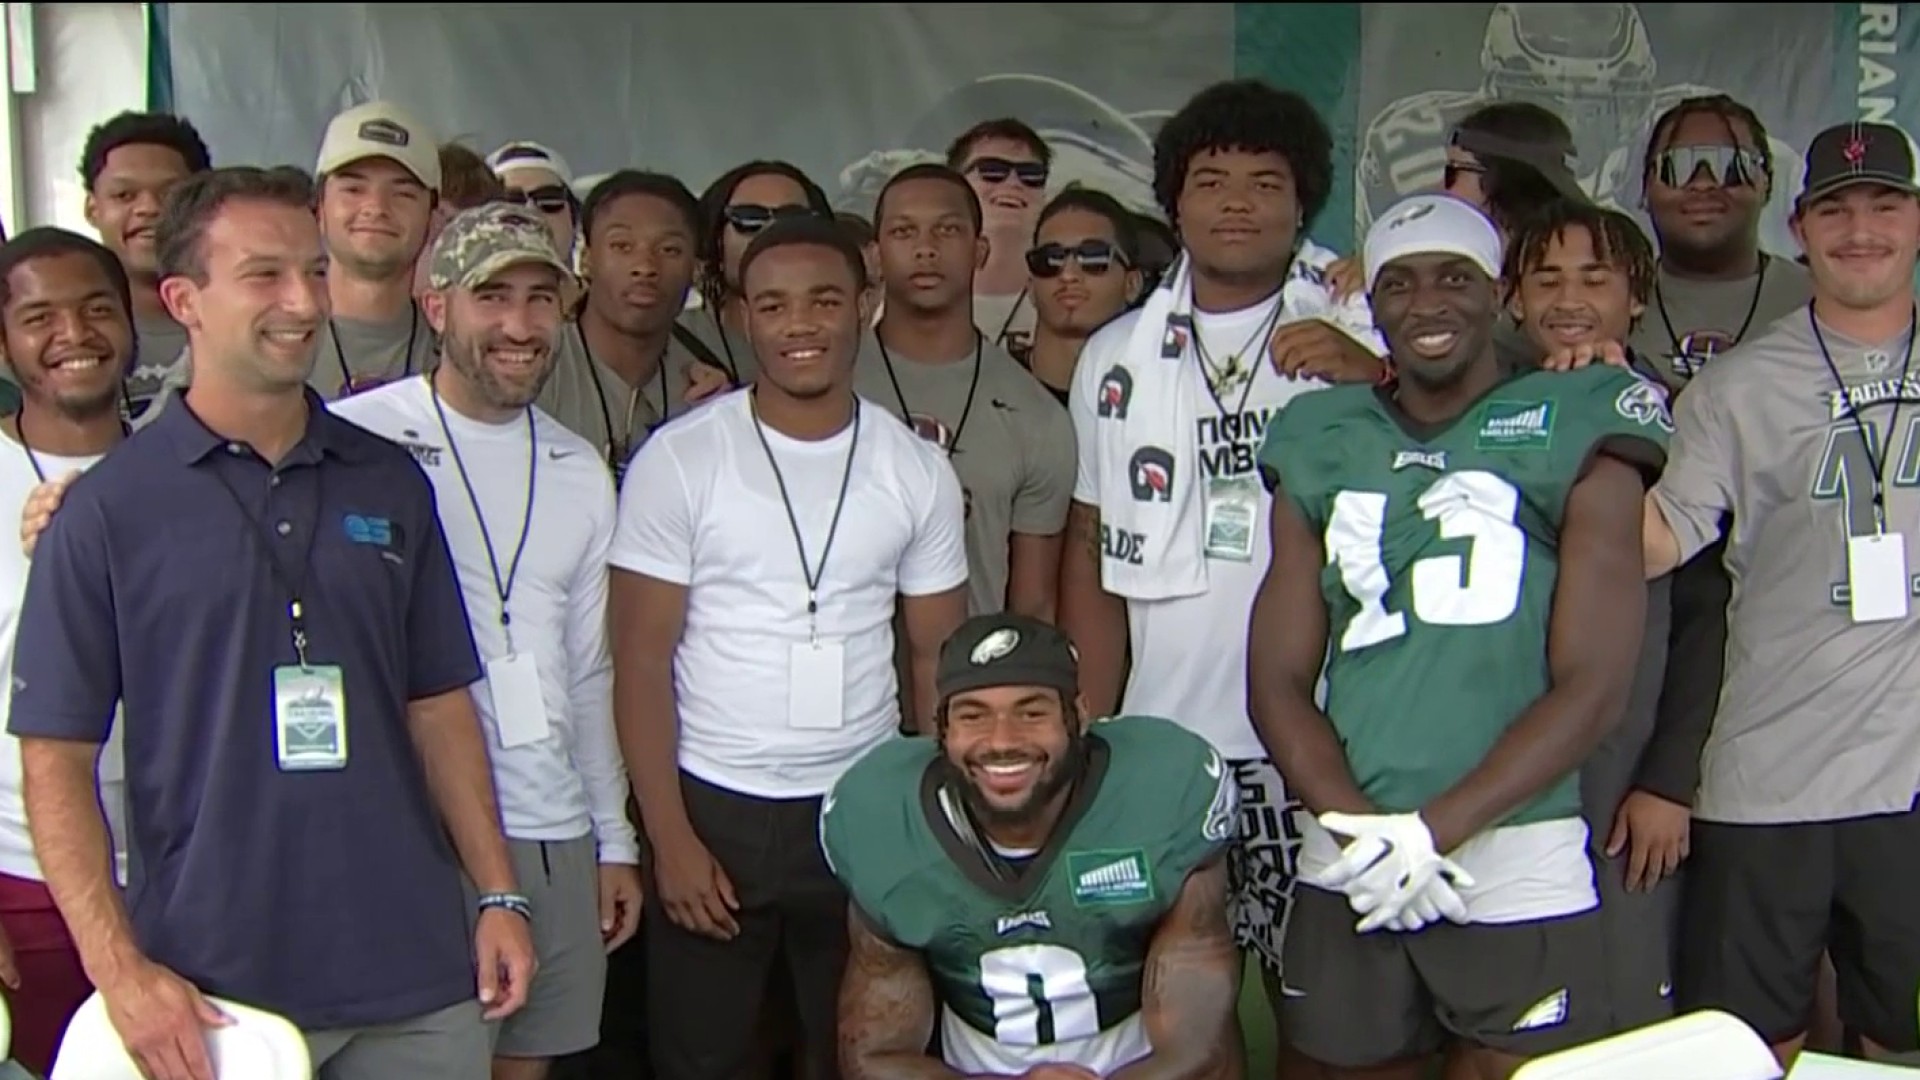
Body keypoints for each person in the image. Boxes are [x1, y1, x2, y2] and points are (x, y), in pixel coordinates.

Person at [7, 165, 534, 1080]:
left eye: (315, 270)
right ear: (184, 300)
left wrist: (499, 893)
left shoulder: (387, 478)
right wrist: (120, 971)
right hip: (212, 988)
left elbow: (438, 703)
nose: (303, 301)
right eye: (264, 275)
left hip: (412, 973)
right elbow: (55, 760)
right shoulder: (105, 512)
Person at [1249, 192, 1669, 1076]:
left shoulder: (1583, 412)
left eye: (1454, 278)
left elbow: (1594, 683)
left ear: (1500, 294)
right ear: (1374, 304)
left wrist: (1432, 833)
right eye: (1398, 283)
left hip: (1516, 850)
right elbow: (1277, 677)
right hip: (1351, 852)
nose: (1426, 302)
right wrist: (1366, 832)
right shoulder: (1320, 432)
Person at [1058, 81, 1382, 1056]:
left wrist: (1376, 374)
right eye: (1211, 180)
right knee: (1184, 1008)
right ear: (1174, 201)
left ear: (1302, 203)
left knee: (1319, 1009)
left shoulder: (1361, 325)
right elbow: (1088, 544)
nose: (1237, 201)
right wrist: (1093, 724)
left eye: (1265, 181)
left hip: (1322, 738)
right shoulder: (1115, 353)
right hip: (1167, 740)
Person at [609, 215, 968, 1080]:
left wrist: (929, 822)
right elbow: (640, 661)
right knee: (704, 1056)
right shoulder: (683, 459)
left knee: (854, 1051)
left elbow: (936, 663)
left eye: (825, 301)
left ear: (867, 306)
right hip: (713, 800)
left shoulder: (914, 468)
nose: (800, 324)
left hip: (862, 801)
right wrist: (670, 837)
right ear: (740, 318)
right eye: (773, 305)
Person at [329, 202, 643, 1080]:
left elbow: (588, 673)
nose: (518, 324)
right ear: (436, 307)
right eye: (491, 296)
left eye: (541, 298)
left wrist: (611, 839)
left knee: (529, 1064)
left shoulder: (580, 468)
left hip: (551, 829)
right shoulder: (359, 436)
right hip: (416, 830)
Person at [1641, 120, 1920, 1068]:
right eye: (1836, 210)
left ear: (1918, 221)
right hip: (1767, 779)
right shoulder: (1734, 387)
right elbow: (1658, 541)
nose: (1861, 229)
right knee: (1754, 1048)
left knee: (1900, 1043)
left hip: (1911, 786)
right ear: (1798, 227)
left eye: (1886, 204)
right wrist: (1580, 410)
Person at [825, 613, 1244, 1078]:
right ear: (940, 728)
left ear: (1080, 716)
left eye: (1032, 712)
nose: (1002, 740)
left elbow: (1198, 1048)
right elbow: (874, 1057)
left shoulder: (1162, 793)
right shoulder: (888, 821)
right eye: (972, 715)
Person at [0, 228, 136, 1075]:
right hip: (19, 879)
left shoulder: (183, 468)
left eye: (95, 310)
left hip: (178, 883)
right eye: (39, 316)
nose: (74, 336)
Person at [855, 163, 1076, 619]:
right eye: (903, 231)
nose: (926, 249)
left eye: (947, 230)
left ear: (980, 251)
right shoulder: (826, 384)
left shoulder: (1036, 415)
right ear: (875, 255)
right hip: (850, 676)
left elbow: (1032, 606)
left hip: (969, 681)